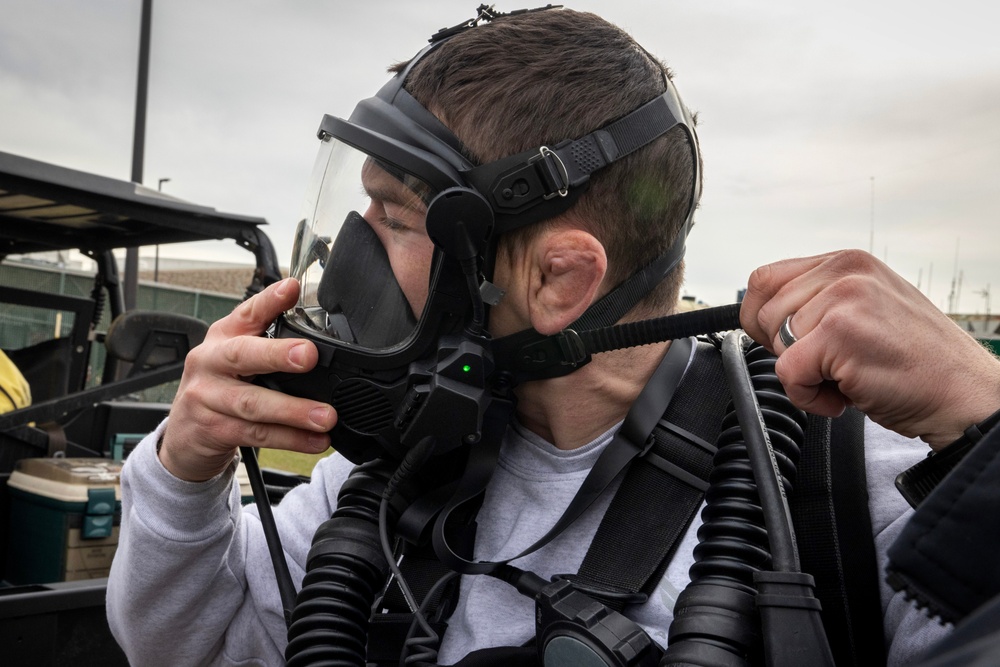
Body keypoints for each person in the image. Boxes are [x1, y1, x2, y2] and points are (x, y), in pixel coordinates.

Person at [106, 7, 1000, 666]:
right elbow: (198, 647)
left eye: (392, 212)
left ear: (557, 279)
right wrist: (182, 471)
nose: (347, 252)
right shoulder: (392, 474)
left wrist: (987, 430)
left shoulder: (850, 488)